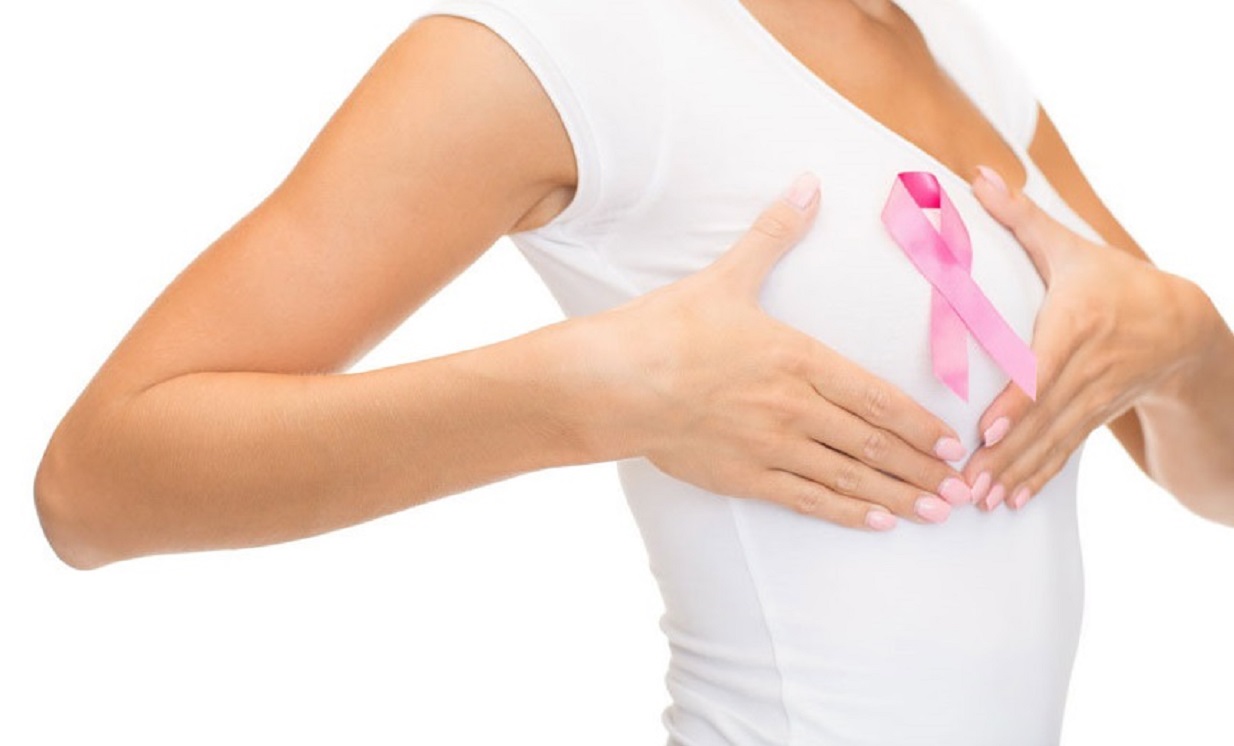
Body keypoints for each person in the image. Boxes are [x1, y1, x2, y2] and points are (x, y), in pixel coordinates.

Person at [32, 0, 1233, 743]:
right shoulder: (562, 39)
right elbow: (95, 484)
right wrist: (592, 393)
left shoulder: (957, 44)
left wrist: (1183, 337)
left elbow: (1217, 481)